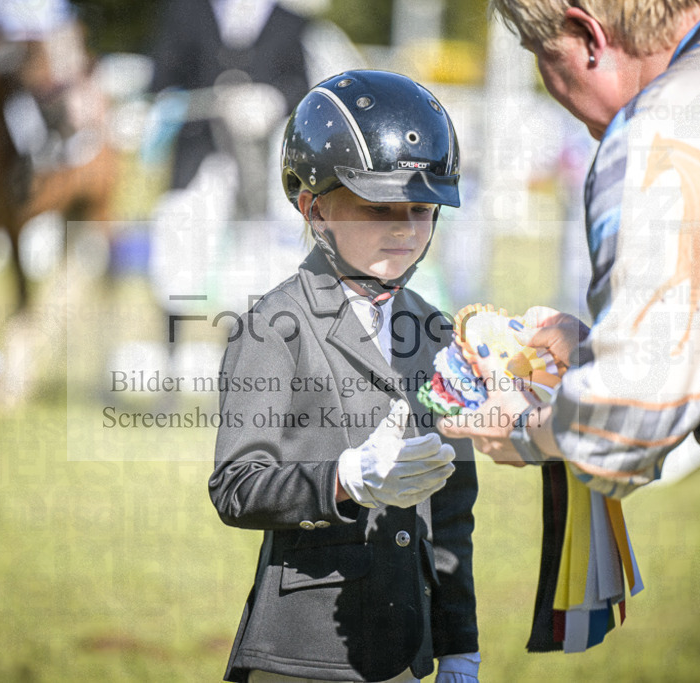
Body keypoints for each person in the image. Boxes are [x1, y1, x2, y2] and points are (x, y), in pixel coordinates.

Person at [441, 1, 700, 680]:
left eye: (549, 63)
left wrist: (526, 430)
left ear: (588, 36)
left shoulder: (658, 130)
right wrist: (597, 344)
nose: (559, 98)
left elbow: (623, 428)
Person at [209, 70, 481, 682]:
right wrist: (345, 479)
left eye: (421, 209)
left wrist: (459, 641)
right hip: (302, 651)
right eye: (379, 207)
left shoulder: (437, 333)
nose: (406, 229)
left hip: (406, 652)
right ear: (314, 205)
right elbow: (236, 485)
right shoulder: (272, 324)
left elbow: (452, 509)